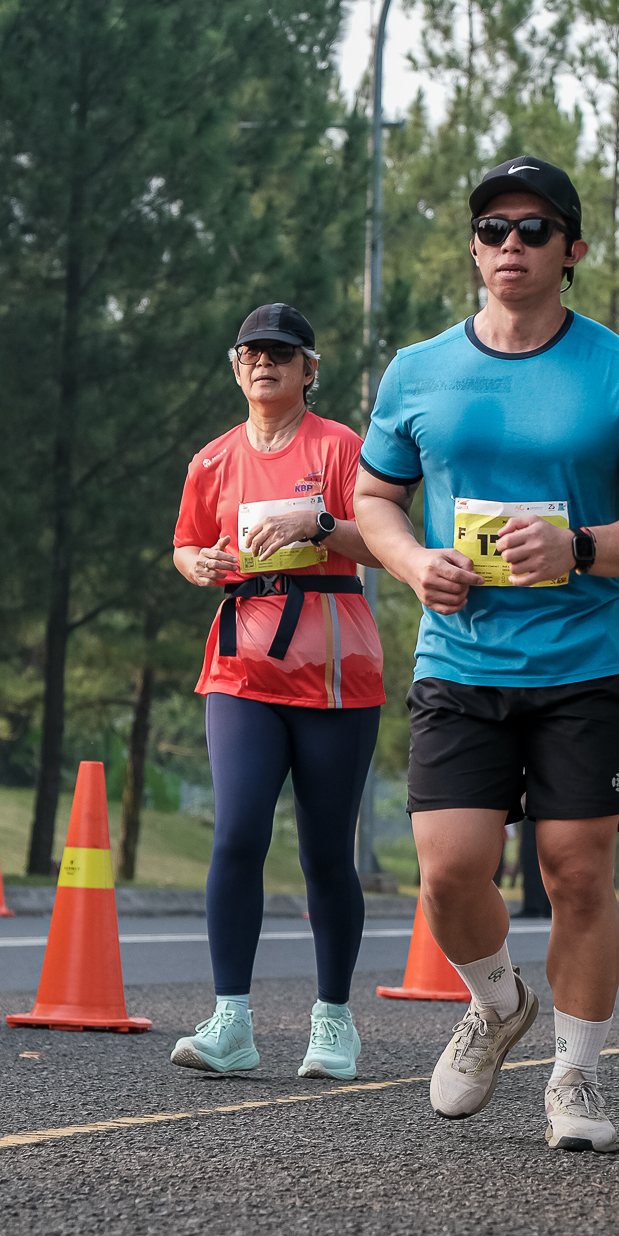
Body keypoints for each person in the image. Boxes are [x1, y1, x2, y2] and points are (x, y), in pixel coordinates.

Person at [355, 153, 619, 1154]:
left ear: (571, 249)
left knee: (576, 873)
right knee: (448, 872)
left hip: (581, 664)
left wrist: (578, 548)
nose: (510, 244)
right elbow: (374, 498)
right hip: (459, 662)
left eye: (533, 229)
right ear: (474, 250)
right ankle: (496, 1001)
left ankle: (575, 1076)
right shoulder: (418, 370)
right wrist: (412, 561)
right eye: (492, 229)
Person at [170, 303, 385, 1081]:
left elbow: (385, 544)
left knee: (326, 852)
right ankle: (231, 1020)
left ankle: (334, 1021)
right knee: (236, 836)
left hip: (336, 670)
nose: (265, 364)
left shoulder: (342, 448)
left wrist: (319, 524)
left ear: (308, 370)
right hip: (242, 669)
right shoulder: (211, 461)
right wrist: (198, 565)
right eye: (252, 353)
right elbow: (186, 544)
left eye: (281, 354)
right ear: (236, 368)